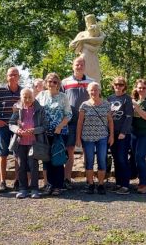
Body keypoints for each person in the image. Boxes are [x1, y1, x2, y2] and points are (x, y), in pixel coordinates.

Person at [61, 55, 94, 190]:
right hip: (70, 121)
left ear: (85, 66)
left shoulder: (91, 81)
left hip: (87, 121)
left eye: (81, 64)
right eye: (77, 64)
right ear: (72, 66)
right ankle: (67, 179)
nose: (79, 66)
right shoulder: (65, 82)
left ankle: (89, 179)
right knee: (70, 150)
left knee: (88, 151)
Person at [37, 73, 72, 196]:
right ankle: (49, 184)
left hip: (60, 132)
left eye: (55, 82)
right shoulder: (41, 96)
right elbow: (34, 110)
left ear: (58, 84)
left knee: (57, 158)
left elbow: (69, 115)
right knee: (47, 160)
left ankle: (58, 186)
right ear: (46, 83)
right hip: (45, 133)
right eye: (50, 81)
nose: (52, 84)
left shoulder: (63, 97)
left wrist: (60, 126)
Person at [9, 88, 48, 199]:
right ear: (21, 98)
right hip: (20, 142)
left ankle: (34, 189)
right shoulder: (18, 109)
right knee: (21, 166)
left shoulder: (40, 109)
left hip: (34, 142)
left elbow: (45, 126)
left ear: (33, 97)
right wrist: (17, 130)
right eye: (25, 97)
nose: (27, 99)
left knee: (33, 166)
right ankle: (23, 189)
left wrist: (34, 130)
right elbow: (11, 124)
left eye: (29, 97)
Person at [76, 82, 114, 195]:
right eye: (91, 90)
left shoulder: (106, 104)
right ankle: (91, 184)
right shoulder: (84, 105)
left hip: (102, 137)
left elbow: (110, 121)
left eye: (96, 90)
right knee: (89, 161)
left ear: (99, 91)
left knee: (102, 160)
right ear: (88, 91)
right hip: (87, 137)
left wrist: (111, 135)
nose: (94, 92)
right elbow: (80, 122)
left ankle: (101, 184)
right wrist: (78, 138)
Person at [0, 67, 22, 193]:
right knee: (2, 154)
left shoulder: (23, 90)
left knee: (17, 154)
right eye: (10, 75)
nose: (13, 77)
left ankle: (17, 181)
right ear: (6, 77)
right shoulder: (0, 90)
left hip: (17, 128)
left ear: (18, 76)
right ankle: (2, 182)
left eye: (15, 74)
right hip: (3, 127)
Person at [107, 77, 133, 195]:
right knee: (116, 159)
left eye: (121, 84)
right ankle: (118, 184)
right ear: (113, 85)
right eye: (116, 84)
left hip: (123, 134)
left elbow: (129, 117)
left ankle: (125, 185)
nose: (118, 86)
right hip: (112, 133)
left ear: (124, 86)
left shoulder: (127, 99)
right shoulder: (110, 99)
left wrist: (123, 132)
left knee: (123, 159)